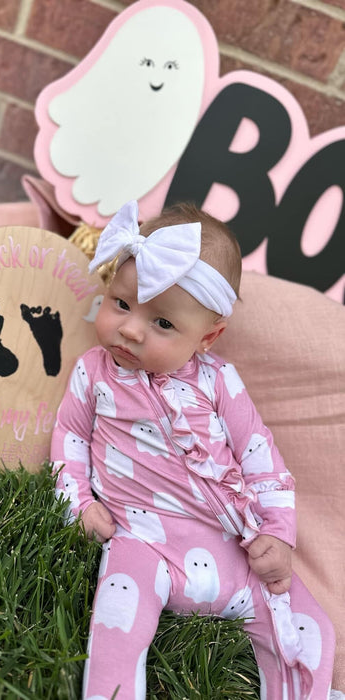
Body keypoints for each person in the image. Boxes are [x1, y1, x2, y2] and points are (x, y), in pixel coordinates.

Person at [50, 200, 336, 699]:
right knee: (118, 617)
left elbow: (262, 460)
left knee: (314, 630)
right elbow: (69, 442)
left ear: (208, 337)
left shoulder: (220, 381)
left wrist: (277, 535)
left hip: (233, 553)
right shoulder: (93, 372)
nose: (132, 329)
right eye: (122, 304)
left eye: (163, 324)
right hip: (141, 541)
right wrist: (78, 504)